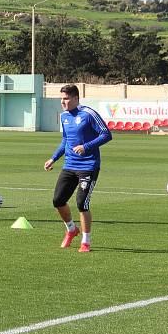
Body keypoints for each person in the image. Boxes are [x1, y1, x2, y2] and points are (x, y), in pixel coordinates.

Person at [44, 84, 112, 253]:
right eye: (61, 98)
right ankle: (71, 230)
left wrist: (86, 146)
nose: (62, 102)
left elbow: (106, 134)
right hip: (69, 165)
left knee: (82, 203)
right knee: (58, 200)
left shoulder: (89, 114)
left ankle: (85, 242)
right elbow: (65, 141)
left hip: (88, 166)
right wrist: (53, 158)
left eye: (66, 98)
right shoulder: (64, 116)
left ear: (75, 98)